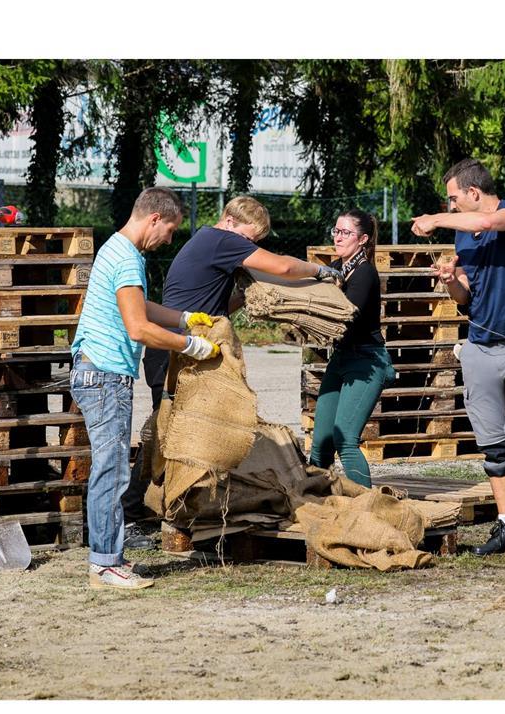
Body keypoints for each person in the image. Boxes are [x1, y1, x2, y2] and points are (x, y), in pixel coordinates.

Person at [120, 196, 343, 535]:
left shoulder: (213, 242)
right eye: (249, 239)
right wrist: (319, 270)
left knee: (186, 432)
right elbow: (282, 267)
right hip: (177, 348)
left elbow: (216, 304)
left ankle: (169, 509)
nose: (248, 247)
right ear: (230, 222)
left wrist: (252, 299)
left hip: (184, 345)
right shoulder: (221, 240)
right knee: (172, 435)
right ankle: (137, 513)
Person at [70, 187, 220, 590]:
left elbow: (141, 309)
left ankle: (107, 559)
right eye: (170, 230)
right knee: (113, 471)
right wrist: (191, 345)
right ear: (154, 218)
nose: (169, 240)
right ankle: (105, 563)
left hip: (97, 371)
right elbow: (138, 328)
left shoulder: (118, 251)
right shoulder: (127, 259)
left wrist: (185, 318)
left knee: (110, 468)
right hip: (104, 375)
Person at [411, 158, 505, 556]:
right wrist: (451, 284)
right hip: (479, 345)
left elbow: (487, 223)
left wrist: (435, 219)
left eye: (455, 198)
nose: (453, 205)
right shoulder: (464, 237)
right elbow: (466, 296)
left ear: (474, 193)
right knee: (494, 444)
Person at [308, 209, 395, 487]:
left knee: (345, 439)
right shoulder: (337, 268)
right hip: (341, 358)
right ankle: (315, 503)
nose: (338, 237)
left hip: (367, 362)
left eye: (345, 232)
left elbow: (345, 314)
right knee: (321, 442)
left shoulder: (364, 274)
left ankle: (367, 511)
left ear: (363, 239)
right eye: (336, 231)